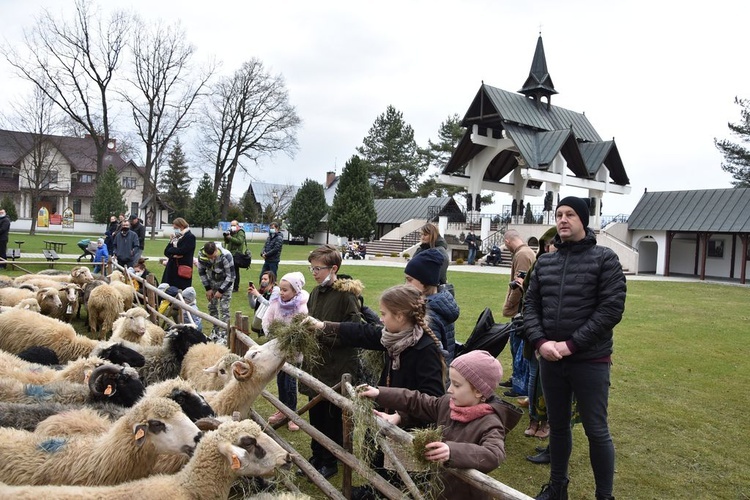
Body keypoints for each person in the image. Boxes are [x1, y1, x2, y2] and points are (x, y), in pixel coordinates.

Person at [524, 196, 626, 500]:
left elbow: (610, 310)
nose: (563, 219)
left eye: (570, 214)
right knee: (557, 426)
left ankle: (604, 496)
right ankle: (558, 487)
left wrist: (570, 345)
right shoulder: (545, 262)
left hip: (590, 359)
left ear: (583, 220)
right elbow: (530, 307)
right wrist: (541, 342)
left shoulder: (605, 259)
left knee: (596, 430)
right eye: (559, 214)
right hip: (551, 359)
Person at [307, 283, 447, 500]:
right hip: (385, 416)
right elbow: (362, 333)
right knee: (380, 459)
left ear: (400, 316)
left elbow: (433, 397)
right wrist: (322, 326)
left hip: (409, 427)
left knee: (403, 475)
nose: (381, 319)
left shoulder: (423, 349)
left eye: (384, 314)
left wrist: (400, 417)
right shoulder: (394, 338)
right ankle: (377, 489)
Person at [359, 350, 522, 500]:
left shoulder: (490, 423)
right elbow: (417, 401)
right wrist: (381, 394)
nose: (449, 389)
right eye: (450, 382)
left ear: (479, 391)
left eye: (457, 385)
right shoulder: (447, 404)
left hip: (466, 495)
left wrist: (453, 451)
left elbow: (494, 454)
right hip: (439, 489)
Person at [301, 244, 363, 480]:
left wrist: (320, 333)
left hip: (336, 367)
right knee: (314, 413)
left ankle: (330, 461)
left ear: (333, 268)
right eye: (311, 268)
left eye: (318, 268)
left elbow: (354, 331)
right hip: (315, 365)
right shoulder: (316, 292)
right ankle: (317, 454)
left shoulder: (347, 295)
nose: (314, 273)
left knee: (331, 417)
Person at [263, 271, 309, 432]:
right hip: (278, 348)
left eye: (285, 290)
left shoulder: (301, 307)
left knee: (290, 383)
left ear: (295, 291)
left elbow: (302, 328)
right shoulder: (276, 302)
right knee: (281, 381)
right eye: (281, 289)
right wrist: (273, 336)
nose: (281, 293)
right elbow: (267, 320)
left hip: (293, 352)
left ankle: (292, 414)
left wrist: (292, 340)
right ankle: (282, 410)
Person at [404, 248, 460, 364]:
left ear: (425, 281)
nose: (405, 285)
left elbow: (431, 360)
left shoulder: (429, 314)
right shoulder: (441, 303)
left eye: (409, 280)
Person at [500, 229, 537, 400]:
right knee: (516, 348)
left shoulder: (522, 255)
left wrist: (509, 306)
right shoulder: (525, 252)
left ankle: (520, 386)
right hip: (522, 310)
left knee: (520, 349)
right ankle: (516, 379)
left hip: (521, 311)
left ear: (507, 241)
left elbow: (518, 286)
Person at [197, 241, 236, 344]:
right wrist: (208, 288)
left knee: (224, 308)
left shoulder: (226, 256)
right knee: (212, 307)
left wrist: (221, 290)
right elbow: (201, 272)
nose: (212, 259)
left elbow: (231, 276)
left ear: (216, 250)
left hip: (226, 284)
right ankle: (216, 331)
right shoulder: (201, 256)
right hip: (212, 283)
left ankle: (225, 334)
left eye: (213, 256)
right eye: (209, 257)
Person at [162, 218, 197, 291]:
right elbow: (166, 251)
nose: (175, 229)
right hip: (171, 267)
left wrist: (171, 250)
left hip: (182, 268)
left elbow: (182, 251)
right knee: (167, 289)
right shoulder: (176, 237)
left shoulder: (190, 237)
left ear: (181, 226)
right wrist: (173, 255)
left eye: (176, 228)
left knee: (180, 290)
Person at [248, 270, 277, 336]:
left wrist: (258, 295)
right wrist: (250, 295)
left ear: (271, 280)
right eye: (262, 279)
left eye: (265, 279)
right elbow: (253, 305)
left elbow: (270, 304)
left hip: (274, 316)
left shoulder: (276, 289)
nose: (263, 280)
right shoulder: (263, 291)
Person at [223, 220, 247, 292]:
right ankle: (229, 285)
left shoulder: (241, 232)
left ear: (238, 225)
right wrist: (226, 236)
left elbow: (239, 241)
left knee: (235, 271)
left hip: (236, 254)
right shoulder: (232, 232)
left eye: (234, 225)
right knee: (228, 270)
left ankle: (236, 287)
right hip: (229, 253)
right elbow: (227, 242)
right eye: (231, 225)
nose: (232, 227)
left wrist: (230, 237)